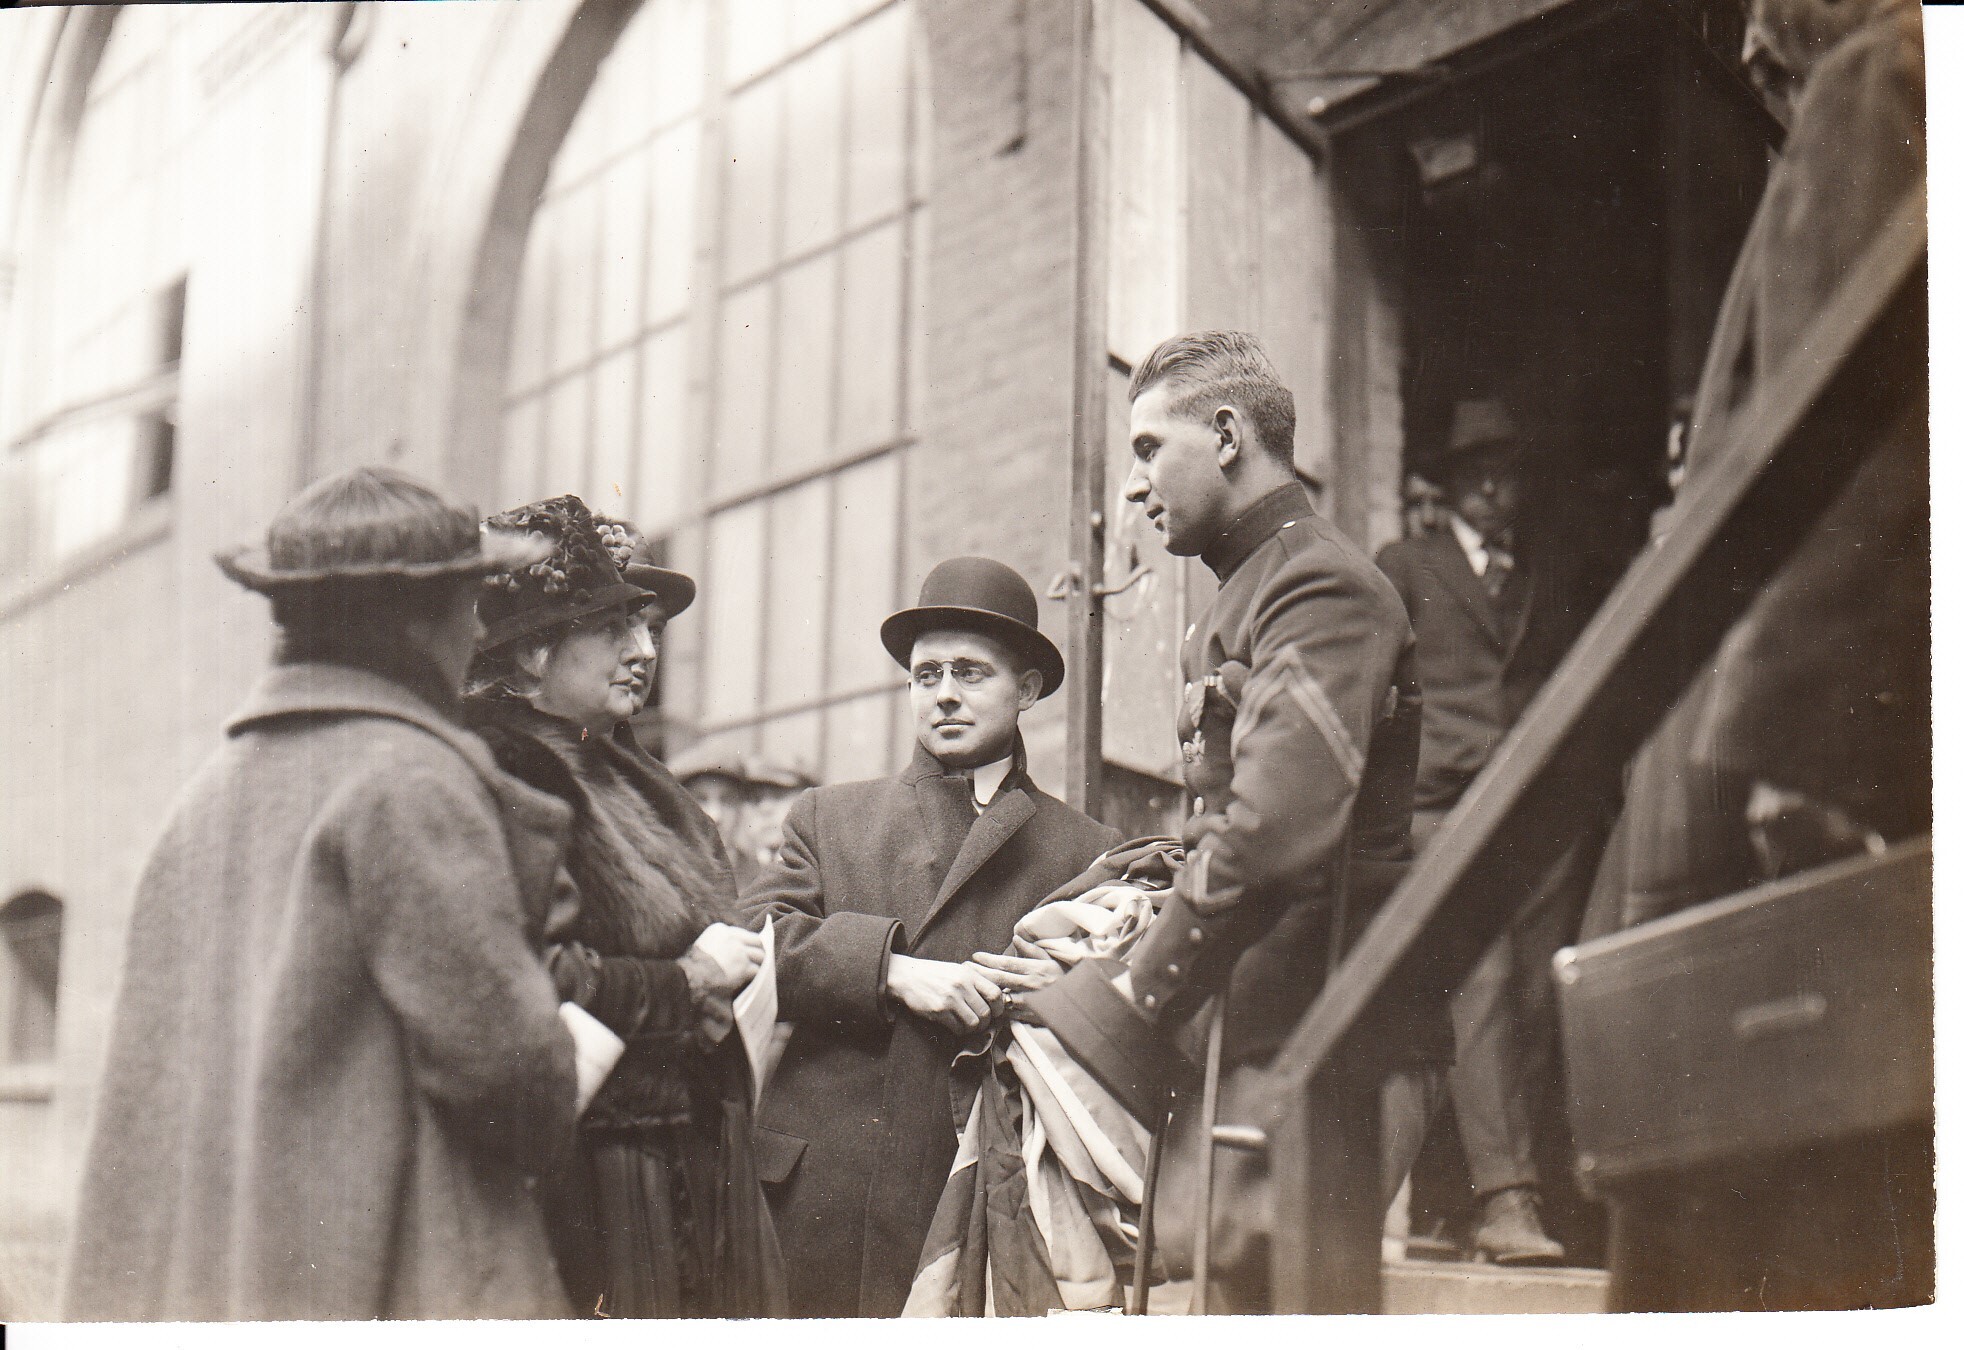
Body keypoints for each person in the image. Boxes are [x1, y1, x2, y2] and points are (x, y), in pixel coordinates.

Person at [62, 467, 579, 1320]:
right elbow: (511, 1076)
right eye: (470, 600)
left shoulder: (207, 795)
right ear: (414, 617)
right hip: (396, 1279)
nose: (477, 628)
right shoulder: (408, 781)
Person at [1025, 330, 1432, 1311]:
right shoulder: (1243, 598)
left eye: (1146, 448)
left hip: (1325, 1042)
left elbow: (1272, 828)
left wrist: (1136, 993)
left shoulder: (1316, 583)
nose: (1132, 486)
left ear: (1224, 434)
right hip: (1257, 1032)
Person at [741, 556, 1121, 1317]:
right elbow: (754, 937)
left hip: (977, 1197)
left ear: (1028, 689)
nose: (943, 693)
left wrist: (1059, 1000)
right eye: (926, 675)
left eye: (971, 673)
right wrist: (891, 970)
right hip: (822, 1198)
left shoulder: (1085, 850)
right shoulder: (830, 815)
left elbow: (1110, 1026)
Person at [463, 494, 784, 1318]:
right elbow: (526, 980)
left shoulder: (630, 771)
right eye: (616, 629)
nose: (645, 652)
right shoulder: (500, 770)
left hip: (688, 1153)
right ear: (534, 651)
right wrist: (689, 985)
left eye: (651, 630)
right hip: (593, 1175)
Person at [1375, 400, 1596, 1264]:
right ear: (1452, 484)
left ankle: (1461, 1204)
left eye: (1507, 474)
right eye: (1477, 475)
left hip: (1535, 814)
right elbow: (1375, 676)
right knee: (1480, 986)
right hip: (1444, 809)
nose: (1495, 490)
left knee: (1536, 997)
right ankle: (1506, 1200)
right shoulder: (1406, 564)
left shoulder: (1541, 574)